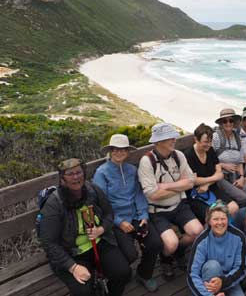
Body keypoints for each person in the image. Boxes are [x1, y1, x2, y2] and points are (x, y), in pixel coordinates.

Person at [39, 158, 131, 296]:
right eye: (70, 174)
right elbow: (48, 242)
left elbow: (108, 213)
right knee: (83, 291)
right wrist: (73, 267)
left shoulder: (92, 190)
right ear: (62, 178)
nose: (76, 177)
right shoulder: (54, 203)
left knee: (123, 272)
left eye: (79, 172)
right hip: (72, 253)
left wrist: (101, 229)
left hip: (99, 242)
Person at [92, 134, 163, 292]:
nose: (119, 152)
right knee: (130, 255)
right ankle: (117, 275)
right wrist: (118, 222)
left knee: (155, 243)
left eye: (123, 149)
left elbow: (138, 194)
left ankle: (144, 274)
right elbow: (101, 205)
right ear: (110, 151)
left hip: (136, 217)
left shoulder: (132, 169)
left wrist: (143, 215)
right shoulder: (101, 173)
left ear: (127, 151)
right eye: (115, 149)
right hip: (114, 222)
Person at [138, 122, 204, 279]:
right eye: (169, 137)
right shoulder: (147, 161)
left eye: (173, 136)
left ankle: (178, 252)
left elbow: (190, 182)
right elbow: (152, 195)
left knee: (197, 231)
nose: (174, 140)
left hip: (179, 205)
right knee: (171, 243)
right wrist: (179, 186)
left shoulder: (178, 156)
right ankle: (166, 258)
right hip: (158, 211)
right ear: (158, 141)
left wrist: (165, 186)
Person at [187, 200, 246, 296]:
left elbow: (241, 268)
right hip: (208, 284)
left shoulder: (239, 237)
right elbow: (192, 274)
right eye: (215, 219)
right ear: (209, 221)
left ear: (228, 219)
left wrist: (222, 282)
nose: (220, 223)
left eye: (223, 218)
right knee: (212, 265)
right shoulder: (202, 241)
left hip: (230, 282)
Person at [184, 123, 239, 224]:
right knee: (213, 216)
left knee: (234, 207)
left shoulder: (210, 151)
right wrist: (213, 178)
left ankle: (227, 232)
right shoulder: (188, 155)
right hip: (196, 193)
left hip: (211, 188)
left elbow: (220, 174)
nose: (208, 145)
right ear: (196, 139)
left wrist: (207, 183)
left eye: (210, 142)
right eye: (205, 142)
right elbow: (194, 180)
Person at [213, 108, 246, 207]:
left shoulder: (237, 137)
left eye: (231, 120)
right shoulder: (216, 137)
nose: (228, 123)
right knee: (243, 197)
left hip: (236, 176)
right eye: (225, 121)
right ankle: (238, 218)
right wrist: (223, 165)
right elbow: (209, 160)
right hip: (221, 177)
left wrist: (242, 177)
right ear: (221, 123)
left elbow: (239, 161)